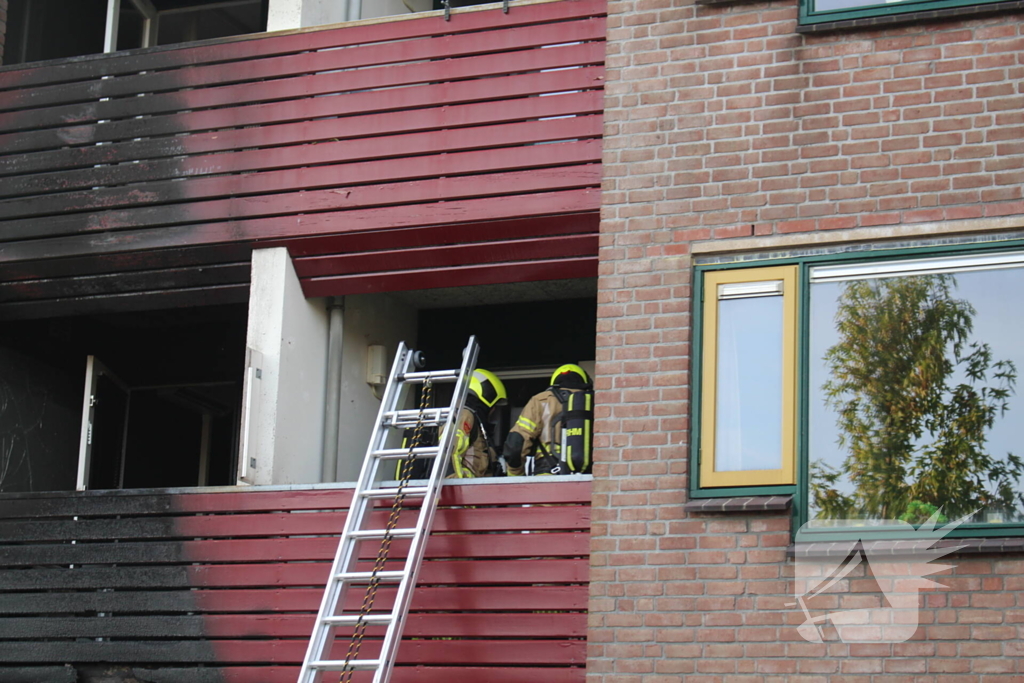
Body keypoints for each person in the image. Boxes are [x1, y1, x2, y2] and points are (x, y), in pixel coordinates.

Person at [501, 364, 594, 476]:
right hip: (589, 477)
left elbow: (516, 444)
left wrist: (515, 475)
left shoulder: (540, 401)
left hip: (548, 475)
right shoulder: (595, 402)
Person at [451, 368, 507, 478]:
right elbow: (451, 454)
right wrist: (457, 488)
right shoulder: (465, 415)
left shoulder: (478, 425)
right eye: (493, 406)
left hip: (474, 491)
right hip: (462, 492)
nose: (494, 410)